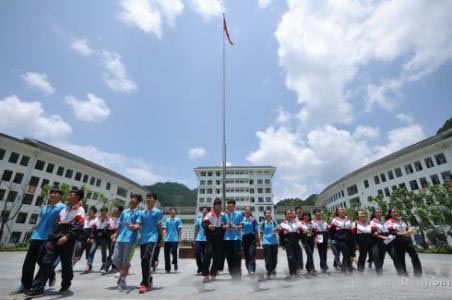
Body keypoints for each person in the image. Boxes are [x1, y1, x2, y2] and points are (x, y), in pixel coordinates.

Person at [28, 189, 85, 296]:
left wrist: (67, 236)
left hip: (68, 239)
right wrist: (52, 236)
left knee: (66, 264)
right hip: (55, 237)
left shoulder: (80, 210)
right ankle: (37, 287)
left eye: (71, 195)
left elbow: (78, 226)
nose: (68, 196)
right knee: (45, 260)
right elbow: (57, 223)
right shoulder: (64, 209)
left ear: (77, 197)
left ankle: (66, 283)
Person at [15, 187, 66, 294]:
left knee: (42, 261)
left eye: (55, 193)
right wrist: (33, 233)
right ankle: (25, 284)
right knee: (28, 262)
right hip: (36, 236)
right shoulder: (45, 207)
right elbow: (42, 222)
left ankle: (48, 276)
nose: (52, 194)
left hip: (48, 238)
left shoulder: (62, 207)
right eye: (51, 192)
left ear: (60, 196)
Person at [111, 194, 142, 288]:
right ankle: (124, 272)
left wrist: (133, 226)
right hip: (120, 238)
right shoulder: (124, 212)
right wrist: (115, 234)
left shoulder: (139, 213)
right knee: (115, 259)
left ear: (138, 202)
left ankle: (123, 278)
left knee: (125, 260)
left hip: (130, 239)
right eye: (131, 198)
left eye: (134, 199)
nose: (132, 200)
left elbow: (138, 225)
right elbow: (120, 225)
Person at [137, 192, 163, 293]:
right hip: (143, 239)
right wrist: (132, 226)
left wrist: (161, 238)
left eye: (150, 198)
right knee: (143, 261)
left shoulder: (157, 212)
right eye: (147, 198)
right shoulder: (142, 212)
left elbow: (159, 227)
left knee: (146, 258)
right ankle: (149, 278)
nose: (148, 199)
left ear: (155, 200)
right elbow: (138, 224)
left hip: (153, 238)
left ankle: (144, 283)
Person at [385, 208, 422, 276]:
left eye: (396, 211)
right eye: (394, 212)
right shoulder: (389, 222)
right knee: (401, 259)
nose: (396, 213)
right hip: (397, 241)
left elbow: (407, 229)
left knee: (414, 255)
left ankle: (418, 273)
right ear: (390, 214)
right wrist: (405, 233)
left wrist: (410, 232)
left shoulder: (401, 221)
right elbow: (393, 232)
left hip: (406, 240)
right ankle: (403, 275)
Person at [202, 199, 224, 282]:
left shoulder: (222, 215)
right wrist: (208, 225)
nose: (218, 207)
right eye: (217, 205)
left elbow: (224, 223)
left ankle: (213, 273)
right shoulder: (209, 214)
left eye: (219, 205)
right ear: (214, 206)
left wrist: (224, 225)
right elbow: (203, 223)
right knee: (208, 254)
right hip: (210, 237)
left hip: (219, 236)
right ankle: (205, 274)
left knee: (217, 256)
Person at [221, 199, 244, 280]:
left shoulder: (239, 214)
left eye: (230, 206)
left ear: (234, 206)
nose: (228, 207)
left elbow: (242, 225)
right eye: (228, 206)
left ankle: (238, 275)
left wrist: (236, 226)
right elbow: (222, 225)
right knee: (229, 257)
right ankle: (232, 273)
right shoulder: (224, 215)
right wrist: (226, 226)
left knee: (237, 256)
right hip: (227, 238)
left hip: (237, 238)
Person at [85, 206, 111, 274]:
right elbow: (93, 229)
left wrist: (102, 233)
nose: (103, 213)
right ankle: (89, 265)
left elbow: (108, 229)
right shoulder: (97, 220)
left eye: (104, 212)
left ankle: (103, 265)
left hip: (104, 239)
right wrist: (91, 237)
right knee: (91, 251)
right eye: (102, 211)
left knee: (103, 252)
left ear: (106, 212)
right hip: (96, 238)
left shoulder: (108, 220)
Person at [278, 209, 302, 279]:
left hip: (295, 242)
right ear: (285, 215)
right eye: (287, 214)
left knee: (297, 256)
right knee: (291, 257)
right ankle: (292, 272)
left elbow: (299, 231)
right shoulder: (282, 224)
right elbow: (281, 235)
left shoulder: (296, 222)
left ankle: (296, 270)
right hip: (288, 243)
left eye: (290, 214)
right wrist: (282, 244)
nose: (289, 215)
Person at [330, 207, 353, 273]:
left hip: (348, 238)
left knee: (348, 254)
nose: (342, 210)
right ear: (337, 212)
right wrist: (333, 241)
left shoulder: (347, 218)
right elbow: (332, 231)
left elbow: (350, 228)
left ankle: (347, 268)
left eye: (343, 209)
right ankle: (345, 269)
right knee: (346, 253)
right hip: (340, 239)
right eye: (341, 210)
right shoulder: (334, 220)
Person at [102, 205, 123, 274]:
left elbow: (119, 228)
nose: (114, 210)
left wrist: (115, 236)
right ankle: (112, 267)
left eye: (116, 209)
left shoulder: (122, 218)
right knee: (112, 252)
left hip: (117, 236)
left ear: (120, 211)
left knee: (112, 253)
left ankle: (106, 268)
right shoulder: (112, 218)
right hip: (110, 235)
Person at [369, 207, 390, 275]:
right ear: (374, 214)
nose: (379, 213)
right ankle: (379, 272)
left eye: (380, 212)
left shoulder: (384, 221)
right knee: (376, 255)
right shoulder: (372, 222)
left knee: (382, 256)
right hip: (375, 241)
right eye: (377, 212)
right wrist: (383, 237)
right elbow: (374, 233)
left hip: (384, 241)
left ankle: (379, 270)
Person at [78, 206, 98, 274]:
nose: (89, 212)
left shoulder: (96, 220)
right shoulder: (85, 219)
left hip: (90, 239)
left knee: (89, 253)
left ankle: (89, 266)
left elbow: (94, 230)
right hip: (82, 238)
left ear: (94, 213)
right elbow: (82, 228)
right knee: (77, 252)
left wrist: (91, 237)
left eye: (91, 211)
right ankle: (69, 267)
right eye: (89, 211)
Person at [162, 207, 183, 273]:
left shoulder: (178, 220)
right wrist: (163, 237)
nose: (172, 212)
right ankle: (167, 268)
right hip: (167, 239)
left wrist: (180, 238)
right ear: (170, 212)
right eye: (171, 211)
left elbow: (179, 230)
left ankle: (175, 262)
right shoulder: (167, 220)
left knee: (174, 251)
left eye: (173, 211)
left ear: (175, 212)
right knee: (166, 254)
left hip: (175, 238)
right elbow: (165, 229)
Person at [259, 209, 278, 278]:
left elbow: (278, 230)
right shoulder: (263, 223)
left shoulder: (274, 222)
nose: (268, 214)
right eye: (267, 213)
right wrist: (259, 242)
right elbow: (261, 233)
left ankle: (273, 269)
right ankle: (269, 270)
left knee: (274, 258)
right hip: (266, 242)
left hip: (274, 242)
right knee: (268, 257)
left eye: (269, 213)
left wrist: (276, 230)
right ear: (264, 215)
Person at [241, 206, 259, 275]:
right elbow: (240, 229)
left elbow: (256, 230)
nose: (247, 211)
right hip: (244, 238)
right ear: (244, 211)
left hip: (252, 238)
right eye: (246, 210)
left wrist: (257, 240)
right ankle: (248, 270)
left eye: (249, 210)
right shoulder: (242, 219)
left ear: (250, 211)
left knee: (252, 254)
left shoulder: (253, 219)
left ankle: (252, 270)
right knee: (247, 255)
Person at [312, 209, 329, 273]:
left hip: (324, 235)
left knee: (325, 251)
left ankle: (324, 264)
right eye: (317, 215)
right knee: (320, 251)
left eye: (319, 215)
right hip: (318, 235)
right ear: (315, 216)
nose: (318, 216)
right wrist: (315, 238)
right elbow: (314, 230)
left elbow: (326, 228)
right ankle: (323, 265)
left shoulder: (324, 221)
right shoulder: (313, 222)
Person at [194, 206, 209, 274]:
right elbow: (196, 229)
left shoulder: (209, 220)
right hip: (199, 239)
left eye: (206, 210)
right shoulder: (198, 219)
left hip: (206, 240)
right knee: (197, 253)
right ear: (202, 211)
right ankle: (200, 267)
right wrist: (194, 238)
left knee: (205, 255)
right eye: (203, 210)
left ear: (207, 212)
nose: (204, 211)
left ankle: (204, 268)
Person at [294, 206, 305, 271]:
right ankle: (297, 267)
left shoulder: (304, 218)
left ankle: (300, 267)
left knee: (300, 252)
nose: (300, 213)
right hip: (296, 237)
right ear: (295, 212)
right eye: (298, 212)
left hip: (303, 237)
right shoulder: (294, 219)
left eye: (301, 212)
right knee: (297, 252)